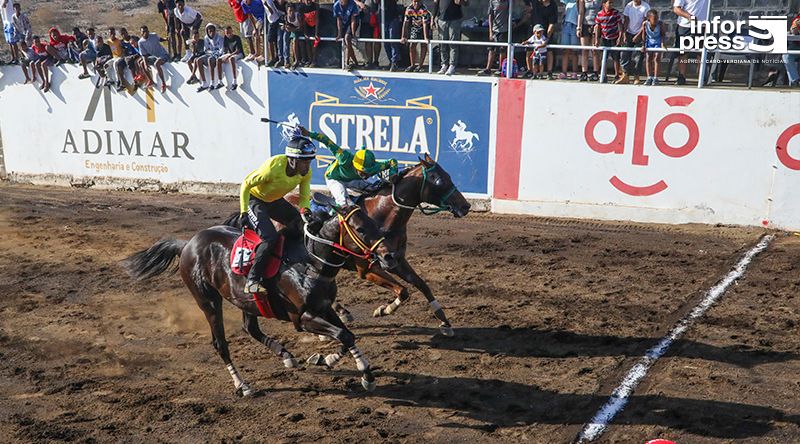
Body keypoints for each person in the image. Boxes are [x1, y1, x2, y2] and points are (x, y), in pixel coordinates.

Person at [238, 132, 316, 294]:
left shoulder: (305, 173)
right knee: (269, 238)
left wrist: (305, 211)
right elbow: (246, 185)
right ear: (292, 160)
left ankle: (294, 261)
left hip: (275, 201)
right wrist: (244, 211)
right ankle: (252, 280)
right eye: (304, 162)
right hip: (256, 200)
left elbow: (304, 197)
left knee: (303, 226)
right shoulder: (272, 168)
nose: (307, 167)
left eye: (309, 162)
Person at [307, 130, 399, 208]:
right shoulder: (344, 158)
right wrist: (309, 134)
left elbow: (392, 161)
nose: (366, 175)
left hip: (352, 179)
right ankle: (326, 212)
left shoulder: (375, 167)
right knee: (344, 203)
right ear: (355, 166)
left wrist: (393, 173)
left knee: (374, 189)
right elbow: (326, 140)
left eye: (368, 173)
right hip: (334, 178)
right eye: (362, 172)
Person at [672, 0, 708, 85]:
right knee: (683, 52)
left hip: (701, 26)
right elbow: (676, 9)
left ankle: (702, 77)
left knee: (701, 53)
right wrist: (688, 16)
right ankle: (681, 77)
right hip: (685, 26)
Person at [432, 0, 468, 76]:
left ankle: (452, 65)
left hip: (455, 19)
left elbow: (466, 3)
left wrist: (461, 2)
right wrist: (433, 18)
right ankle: (444, 64)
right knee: (442, 44)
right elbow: (435, 3)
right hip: (442, 19)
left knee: (453, 43)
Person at [618, 0, 648, 84]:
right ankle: (625, 75)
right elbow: (626, 20)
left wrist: (638, 35)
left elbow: (645, 23)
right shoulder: (629, 5)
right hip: (629, 33)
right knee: (624, 54)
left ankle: (636, 76)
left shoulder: (645, 7)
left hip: (641, 33)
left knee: (638, 56)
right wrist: (624, 33)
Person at [593, 0, 623, 82]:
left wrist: (620, 38)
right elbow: (598, 27)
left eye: (612, 3)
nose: (611, 5)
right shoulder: (599, 14)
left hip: (614, 38)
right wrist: (596, 39)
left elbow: (620, 25)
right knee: (604, 58)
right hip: (604, 38)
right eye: (609, 3)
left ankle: (617, 75)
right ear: (604, 4)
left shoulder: (616, 13)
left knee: (616, 58)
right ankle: (604, 75)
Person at [527, 0, 557, 79]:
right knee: (529, 50)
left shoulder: (553, 5)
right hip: (534, 31)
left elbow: (552, 22)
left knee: (549, 50)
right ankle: (531, 71)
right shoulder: (535, 2)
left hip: (546, 31)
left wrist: (547, 37)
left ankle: (549, 72)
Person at [478, 0, 509, 76]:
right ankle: (488, 69)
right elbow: (490, 16)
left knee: (502, 50)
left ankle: (501, 69)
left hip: (504, 29)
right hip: (495, 29)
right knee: (491, 49)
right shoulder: (492, 2)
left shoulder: (508, 2)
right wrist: (490, 31)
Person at [138, 25, 170, 93]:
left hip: (163, 55)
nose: (145, 33)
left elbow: (159, 39)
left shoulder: (153, 35)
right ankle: (151, 81)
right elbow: (144, 55)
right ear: (141, 33)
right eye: (143, 32)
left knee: (156, 64)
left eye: (146, 31)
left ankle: (163, 83)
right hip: (154, 57)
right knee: (142, 63)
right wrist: (146, 65)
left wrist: (165, 39)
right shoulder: (140, 42)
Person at [401, 0, 430, 72]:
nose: (416, 4)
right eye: (415, 2)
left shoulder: (424, 9)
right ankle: (412, 64)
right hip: (415, 27)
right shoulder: (409, 8)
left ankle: (420, 65)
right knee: (412, 45)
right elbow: (406, 23)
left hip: (425, 28)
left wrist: (426, 37)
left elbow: (425, 24)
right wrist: (403, 36)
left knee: (423, 45)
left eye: (418, 2)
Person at [638, 8, 664, 85]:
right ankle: (649, 77)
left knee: (656, 58)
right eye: (654, 19)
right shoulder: (645, 24)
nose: (656, 20)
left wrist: (662, 44)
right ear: (649, 19)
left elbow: (663, 34)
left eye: (657, 18)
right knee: (648, 58)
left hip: (658, 41)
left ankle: (656, 78)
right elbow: (643, 35)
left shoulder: (660, 24)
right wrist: (643, 45)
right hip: (649, 41)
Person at [577, 0, 601, 81]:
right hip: (585, 24)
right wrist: (579, 27)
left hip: (596, 25)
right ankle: (584, 72)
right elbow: (581, 12)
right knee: (584, 50)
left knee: (595, 50)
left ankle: (596, 72)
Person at [334, 0, 360, 70]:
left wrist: (353, 33)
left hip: (353, 22)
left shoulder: (352, 4)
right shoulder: (336, 6)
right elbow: (338, 20)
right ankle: (356, 62)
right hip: (343, 23)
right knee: (347, 44)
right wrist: (339, 33)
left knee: (347, 38)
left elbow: (353, 20)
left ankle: (347, 62)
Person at [355, 0, 380, 69]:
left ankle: (376, 61)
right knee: (368, 41)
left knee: (377, 40)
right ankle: (369, 62)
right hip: (366, 19)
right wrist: (360, 4)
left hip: (377, 19)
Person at [201, 23, 225, 90]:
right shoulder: (206, 38)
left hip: (217, 54)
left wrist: (216, 54)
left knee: (210, 59)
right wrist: (211, 52)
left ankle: (212, 82)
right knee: (198, 60)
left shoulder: (219, 37)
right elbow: (206, 49)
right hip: (210, 53)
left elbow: (221, 49)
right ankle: (204, 82)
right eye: (209, 31)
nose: (211, 32)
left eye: (212, 31)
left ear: (215, 30)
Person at [559, 0, 579, 80]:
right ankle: (564, 72)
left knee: (575, 51)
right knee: (565, 50)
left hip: (575, 25)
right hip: (566, 25)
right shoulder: (567, 1)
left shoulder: (579, 2)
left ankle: (574, 72)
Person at [264, 0, 288, 67]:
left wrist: (266, 5)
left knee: (276, 40)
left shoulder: (270, 1)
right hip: (272, 21)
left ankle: (279, 58)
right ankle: (276, 58)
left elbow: (272, 12)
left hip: (275, 20)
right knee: (273, 40)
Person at [298, 0, 319, 66]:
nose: (308, 1)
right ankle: (309, 60)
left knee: (314, 42)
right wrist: (305, 33)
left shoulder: (315, 6)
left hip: (315, 27)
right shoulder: (301, 7)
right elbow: (302, 21)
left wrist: (316, 33)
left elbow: (317, 19)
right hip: (306, 27)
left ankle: (314, 60)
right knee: (307, 42)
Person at [284, 2, 303, 69]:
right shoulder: (286, 17)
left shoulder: (297, 15)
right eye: (290, 11)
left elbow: (301, 27)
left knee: (295, 41)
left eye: (293, 10)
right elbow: (287, 26)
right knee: (285, 38)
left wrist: (292, 29)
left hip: (300, 30)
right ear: (287, 11)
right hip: (293, 31)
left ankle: (296, 60)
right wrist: (286, 28)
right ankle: (287, 60)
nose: (291, 12)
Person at [784, 11, 800, 88]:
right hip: (797, 46)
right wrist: (794, 28)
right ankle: (795, 81)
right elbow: (793, 32)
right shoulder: (797, 20)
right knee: (786, 56)